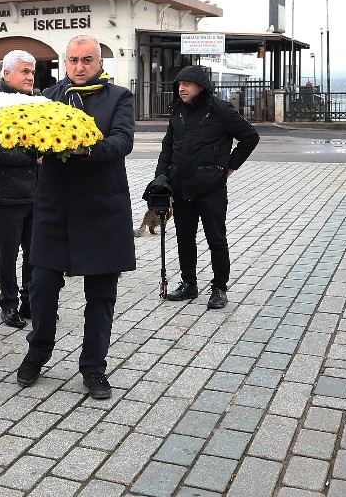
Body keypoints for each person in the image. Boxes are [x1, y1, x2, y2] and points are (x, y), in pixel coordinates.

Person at [16, 35, 136, 399]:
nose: (80, 67)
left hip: (102, 208)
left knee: (100, 295)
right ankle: (38, 352)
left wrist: (84, 149)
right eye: (73, 60)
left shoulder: (119, 97)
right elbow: (29, 142)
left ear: (99, 62)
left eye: (87, 60)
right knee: (43, 288)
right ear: (64, 62)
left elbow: (123, 141)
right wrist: (28, 145)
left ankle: (94, 367)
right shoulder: (49, 98)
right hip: (55, 207)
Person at [155, 65, 260, 310]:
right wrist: (160, 178)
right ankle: (189, 284)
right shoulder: (177, 112)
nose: (181, 88)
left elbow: (250, 137)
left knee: (216, 239)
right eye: (179, 84)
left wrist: (229, 167)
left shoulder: (220, 110)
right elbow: (168, 147)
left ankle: (219, 288)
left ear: (201, 87)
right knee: (184, 239)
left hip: (211, 187)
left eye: (187, 84)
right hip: (181, 187)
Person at [0, 50, 38, 329]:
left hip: (35, 191)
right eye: (24, 72)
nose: (30, 77)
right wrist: (35, 156)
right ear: (7, 74)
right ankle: (8, 304)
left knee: (34, 251)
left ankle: (31, 300)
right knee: (8, 252)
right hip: (6, 193)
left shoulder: (38, 102)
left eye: (31, 72)